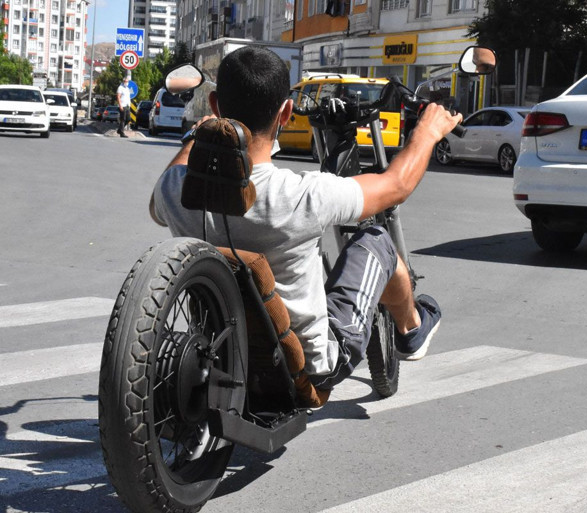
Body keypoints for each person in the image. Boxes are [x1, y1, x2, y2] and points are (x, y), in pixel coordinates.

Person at [150, 46, 461, 393]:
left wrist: (198, 136)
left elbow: (158, 199)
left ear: (214, 106)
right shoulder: (303, 195)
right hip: (307, 366)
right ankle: (412, 328)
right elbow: (397, 185)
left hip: (220, 353)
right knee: (376, 240)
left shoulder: (176, 190)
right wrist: (428, 132)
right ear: (285, 113)